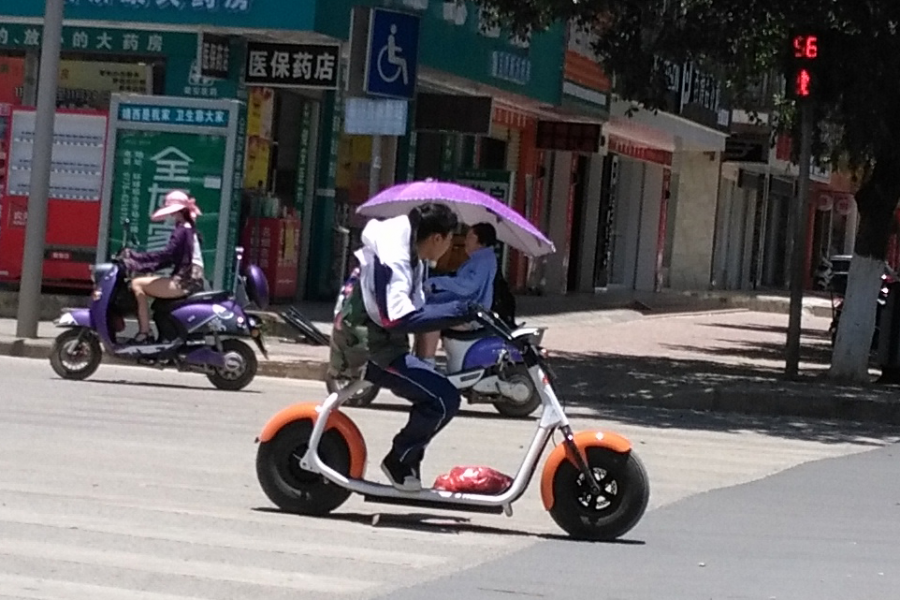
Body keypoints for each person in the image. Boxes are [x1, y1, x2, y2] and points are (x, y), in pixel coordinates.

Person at [355, 203, 473, 492]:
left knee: (442, 394)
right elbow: (398, 317)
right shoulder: (396, 257)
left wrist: (461, 308)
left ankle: (406, 458)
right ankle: (400, 460)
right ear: (437, 239)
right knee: (443, 398)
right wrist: (457, 312)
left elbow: (417, 304)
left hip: (384, 341)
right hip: (369, 348)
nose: (448, 247)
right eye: (449, 240)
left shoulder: (413, 256)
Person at [123, 190, 206, 344]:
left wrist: (135, 259)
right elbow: (168, 259)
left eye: (172, 213)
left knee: (136, 284)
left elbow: (166, 255)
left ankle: (144, 333)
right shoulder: (188, 229)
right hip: (190, 281)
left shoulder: (182, 231)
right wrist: (141, 265)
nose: (170, 217)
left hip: (184, 282)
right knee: (144, 281)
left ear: (178, 212)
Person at [415, 223, 499, 365]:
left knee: (431, 320)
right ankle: (420, 359)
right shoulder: (480, 259)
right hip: (469, 309)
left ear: (479, 239)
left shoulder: (484, 259)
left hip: (473, 314)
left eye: (469, 237)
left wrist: (437, 282)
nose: (465, 241)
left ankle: (426, 363)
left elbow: (467, 286)